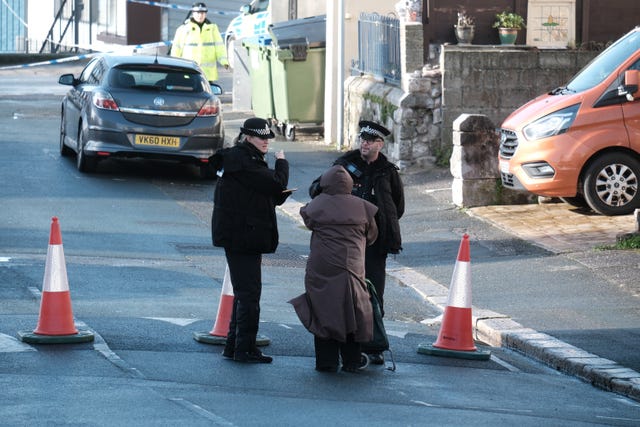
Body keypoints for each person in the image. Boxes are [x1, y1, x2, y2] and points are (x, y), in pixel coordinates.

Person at [308, 120, 404, 365]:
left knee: (373, 292)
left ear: (380, 145)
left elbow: (397, 207)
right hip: (346, 243)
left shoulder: (388, 171)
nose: (365, 143)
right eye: (362, 138)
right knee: (343, 293)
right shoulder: (344, 165)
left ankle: (373, 346)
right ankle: (347, 347)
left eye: (370, 140)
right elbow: (316, 189)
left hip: (375, 243)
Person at [210, 117, 290, 364]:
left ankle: (235, 345)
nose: (266, 141)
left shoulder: (242, 160)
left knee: (245, 292)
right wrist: (282, 162)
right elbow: (276, 182)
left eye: (268, 137)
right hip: (243, 236)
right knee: (249, 294)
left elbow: (262, 193)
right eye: (261, 137)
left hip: (242, 234)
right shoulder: (245, 161)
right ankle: (244, 349)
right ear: (247, 137)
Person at [290, 165, 379, 373]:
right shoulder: (363, 207)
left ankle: (326, 361)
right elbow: (372, 235)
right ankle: (352, 361)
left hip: (322, 267)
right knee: (353, 310)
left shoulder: (317, 205)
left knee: (323, 310)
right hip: (352, 267)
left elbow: (309, 220)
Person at [171, 2, 229, 82]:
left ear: (206, 14)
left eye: (202, 13)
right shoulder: (183, 29)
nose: (200, 15)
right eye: (198, 13)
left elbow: (219, 47)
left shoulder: (212, 28)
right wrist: (174, 65)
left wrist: (224, 62)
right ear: (193, 13)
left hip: (208, 74)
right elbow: (176, 49)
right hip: (190, 71)